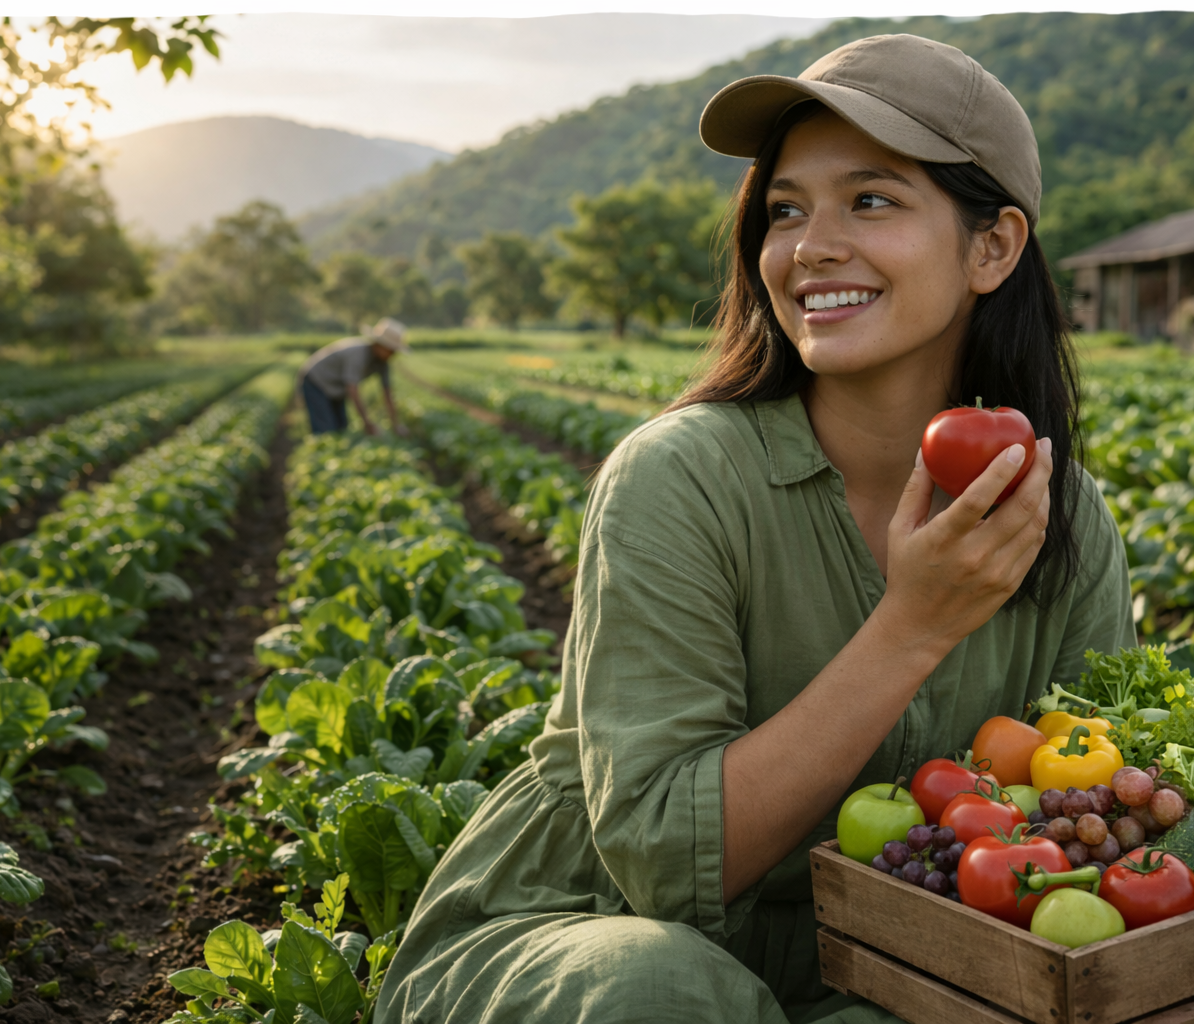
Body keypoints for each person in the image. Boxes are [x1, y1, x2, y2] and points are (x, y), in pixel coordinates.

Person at [376, 34, 1136, 1024]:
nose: (808, 245)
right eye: (786, 209)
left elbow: (1083, 827)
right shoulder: (678, 478)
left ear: (992, 246)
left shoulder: (1061, 514)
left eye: (871, 199)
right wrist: (913, 627)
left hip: (881, 954)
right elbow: (661, 865)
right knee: (667, 992)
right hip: (584, 936)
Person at [298, 317, 408, 435]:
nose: (393, 354)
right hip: (316, 381)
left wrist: (397, 425)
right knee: (326, 430)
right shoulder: (358, 355)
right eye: (391, 350)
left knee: (341, 428)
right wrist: (367, 423)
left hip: (336, 388)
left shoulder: (383, 362)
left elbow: (387, 393)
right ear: (380, 344)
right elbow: (352, 390)